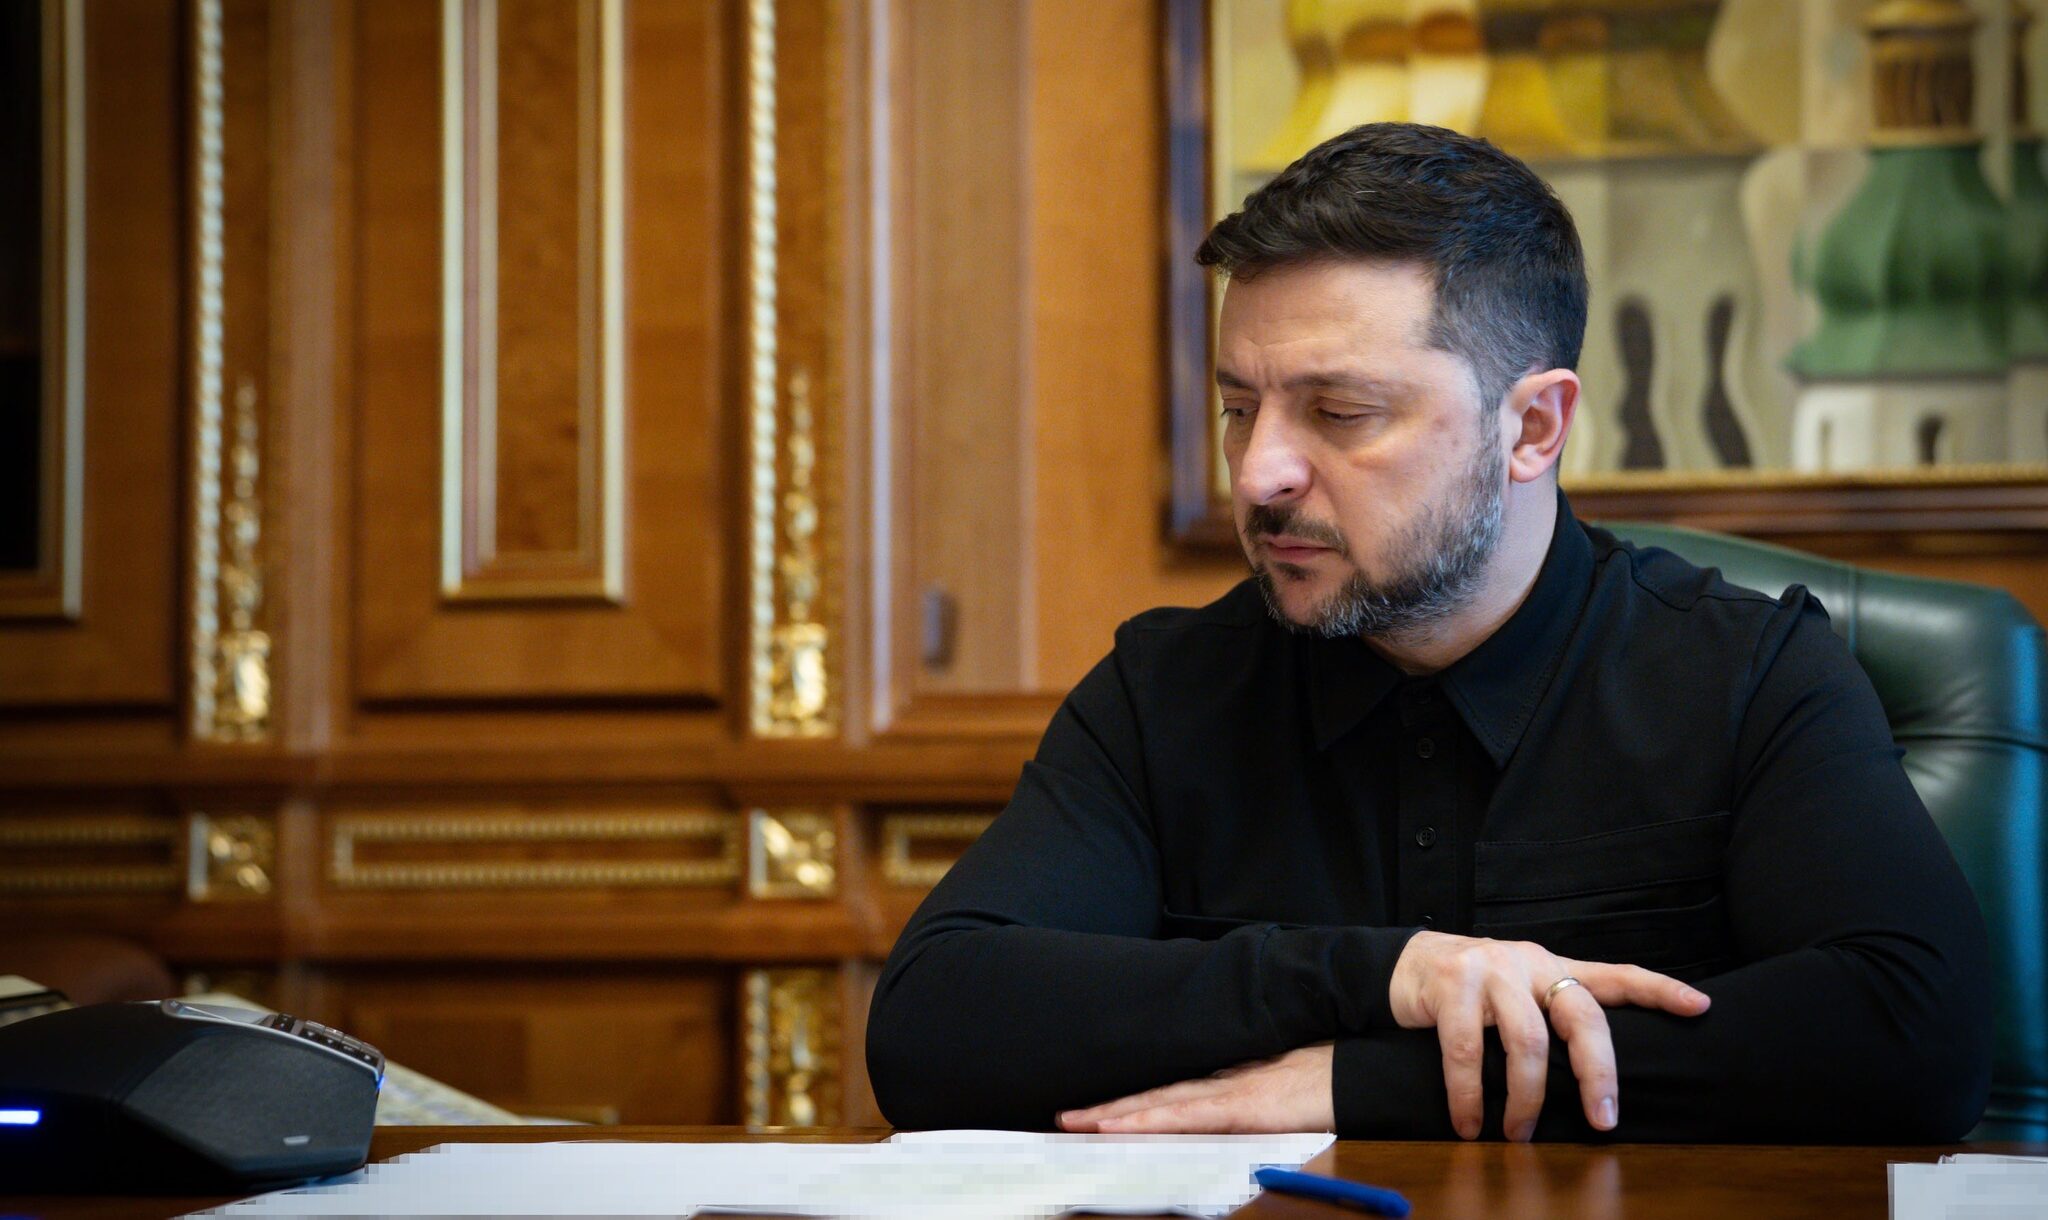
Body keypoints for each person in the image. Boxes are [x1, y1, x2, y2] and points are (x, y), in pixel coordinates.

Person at [864, 123, 1992, 1142]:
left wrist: (1368, 1083)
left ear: (1532, 426)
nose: (1258, 473)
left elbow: (1916, 1041)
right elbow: (932, 1023)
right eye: (1239, 407)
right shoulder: (1165, 693)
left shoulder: (1747, 674)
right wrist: (1380, 975)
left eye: (1340, 412)